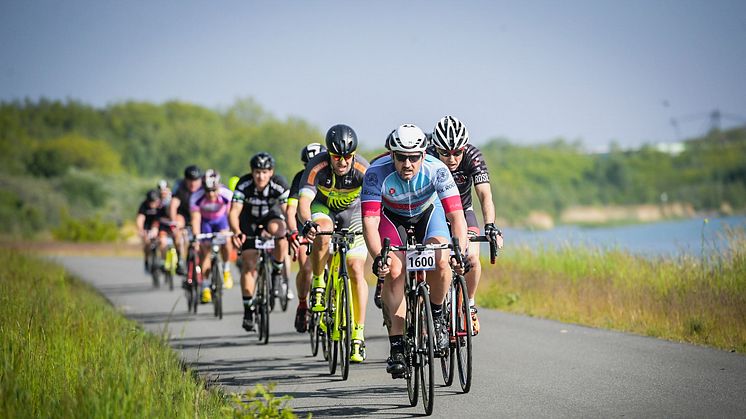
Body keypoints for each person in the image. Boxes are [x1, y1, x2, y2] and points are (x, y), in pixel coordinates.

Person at [361, 123, 469, 377]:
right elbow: (370, 221)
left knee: (441, 259)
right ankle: (397, 346)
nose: (407, 164)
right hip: (392, 219)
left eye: (413, 158)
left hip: (427, 215)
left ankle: (437, 316)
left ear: (423, 155)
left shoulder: (438, 169)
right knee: (394, 269)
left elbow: (456, 215)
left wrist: (459, 250)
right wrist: (379, 258)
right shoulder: (376, 173)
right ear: (391, 156)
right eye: (400, 157)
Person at [299, 124, 370, 363]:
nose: (342, 162)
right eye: (337, 157)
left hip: (354, 212)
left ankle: (358, 336)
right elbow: (304, 202)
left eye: (347, 156)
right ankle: (319, 284)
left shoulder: (362, 168)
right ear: (329, 154)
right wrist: (307, 223)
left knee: (356, 269)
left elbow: (374, 204)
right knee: (324, 232)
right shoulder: (316, 166)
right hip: (323, 208)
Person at [429, 115, 504, 335]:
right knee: (437, 260)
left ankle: (469, 305)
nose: (451, 158)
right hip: (433, 213)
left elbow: (485, 195)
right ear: (436, 149)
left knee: (471, 257)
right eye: (445, 153)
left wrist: (490, 224)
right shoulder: (428, 156)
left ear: (464, 148)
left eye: (456, 153)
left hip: (463, 211)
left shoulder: (473, 156)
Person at [230, 152, 290, 332]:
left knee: (280, 231)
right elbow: (234, 212)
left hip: (271, 218)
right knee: (248, 263)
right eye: (257, 172)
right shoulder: (244, 184)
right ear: (252, 172)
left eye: (265, 172)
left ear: (271, 172)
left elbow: (287, 211)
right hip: (248, 222)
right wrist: (237, 232)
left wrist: (292, 231)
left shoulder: (279, 184)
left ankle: (277, 272)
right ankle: (248, 310)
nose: (260, 176)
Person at [286, 142, 326, 333]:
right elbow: (291, 209)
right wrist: (294, 231)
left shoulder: (332, 175)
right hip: (305, 225)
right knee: (306, 266)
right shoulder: (299, 179)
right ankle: (303, 305)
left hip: (326, 221)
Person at [190, 169, 235, 303]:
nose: (211, 194)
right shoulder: (196, 197)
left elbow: (231, 214)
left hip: (221, 220)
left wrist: (231, 231)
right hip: (205, 222)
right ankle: (205, 286)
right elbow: (196, 219)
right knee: (205, 252)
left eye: (213, 190)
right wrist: (197, 237)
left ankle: (226, 269)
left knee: (226, 241)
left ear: (219, 187)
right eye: (207, 190)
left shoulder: (226, 194)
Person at [169, 165, 203, 275]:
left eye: (196, 181)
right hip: (183, 214)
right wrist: (174, 223)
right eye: (190, 180)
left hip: (198, 215)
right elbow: (173, 205)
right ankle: (180, 258)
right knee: (178, 229)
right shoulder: (180, 187)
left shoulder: (203, 188)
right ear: (185, 180)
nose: (193, 184)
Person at [136, 189, 167, 273]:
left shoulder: (162, 205)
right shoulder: (144, 205)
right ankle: (146, 261)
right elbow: (140, 218)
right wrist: (140, 230)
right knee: (147, 243)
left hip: (159, 225)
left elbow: (163, 218)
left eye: (154, 202)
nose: (152, 204)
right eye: (150, 202)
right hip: (147, 226)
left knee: (162, 242)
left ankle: (163, 262)